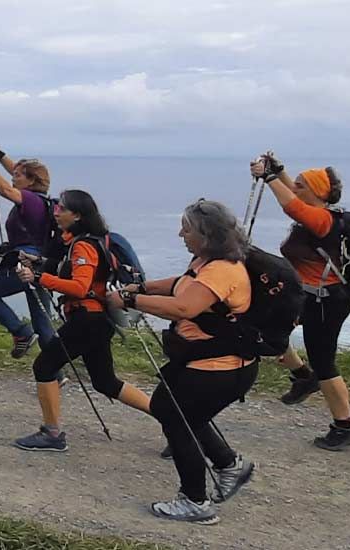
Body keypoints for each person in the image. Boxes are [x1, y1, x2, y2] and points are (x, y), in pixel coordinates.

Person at [105, 199, 258, 525]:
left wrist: (131, 299)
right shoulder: (206, 261)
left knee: (177, 420)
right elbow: (181, 283)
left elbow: (183, 307)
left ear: (206, 233)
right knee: (168, 408)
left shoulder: (222, 270)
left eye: (186, 229)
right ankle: (228, 465)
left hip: (219, 368)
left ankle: (195, 501)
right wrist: (142, 286)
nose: (180, 234)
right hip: (201, 363)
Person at [10, 190, 151, 452]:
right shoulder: (88, 241)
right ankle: (171, 418)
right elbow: (79, 275)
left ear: (76, 215)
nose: (56, 212)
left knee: (44, 366)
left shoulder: (83, 245)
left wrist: (38, 278)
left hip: (87, 320)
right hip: (97, 320)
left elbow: (78, 286)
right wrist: (39, 262)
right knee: (105, 382)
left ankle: (52, 434)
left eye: (61, 208)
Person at [252, 155, 350, 450]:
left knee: (324, 361)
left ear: (316, 193)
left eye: (301, 185)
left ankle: (346, 425)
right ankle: (303, 377)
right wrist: (279, 172)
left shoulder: (321, 220)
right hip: (307, 296)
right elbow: (295, 196)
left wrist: (269, 178)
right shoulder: (315, 212)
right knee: (267, 328)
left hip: (327, 301)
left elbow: (291, 203)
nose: (295, 187)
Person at [0, 140, 56, 358]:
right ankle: (55, 374)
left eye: (18, 175)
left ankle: (21, 332)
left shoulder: (28, 199)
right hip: (41, 263)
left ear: (30, 182)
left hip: (25, 262)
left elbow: (6, 190)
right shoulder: (41, 200)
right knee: (43, 323)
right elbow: (15, 176)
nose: (13, 176)